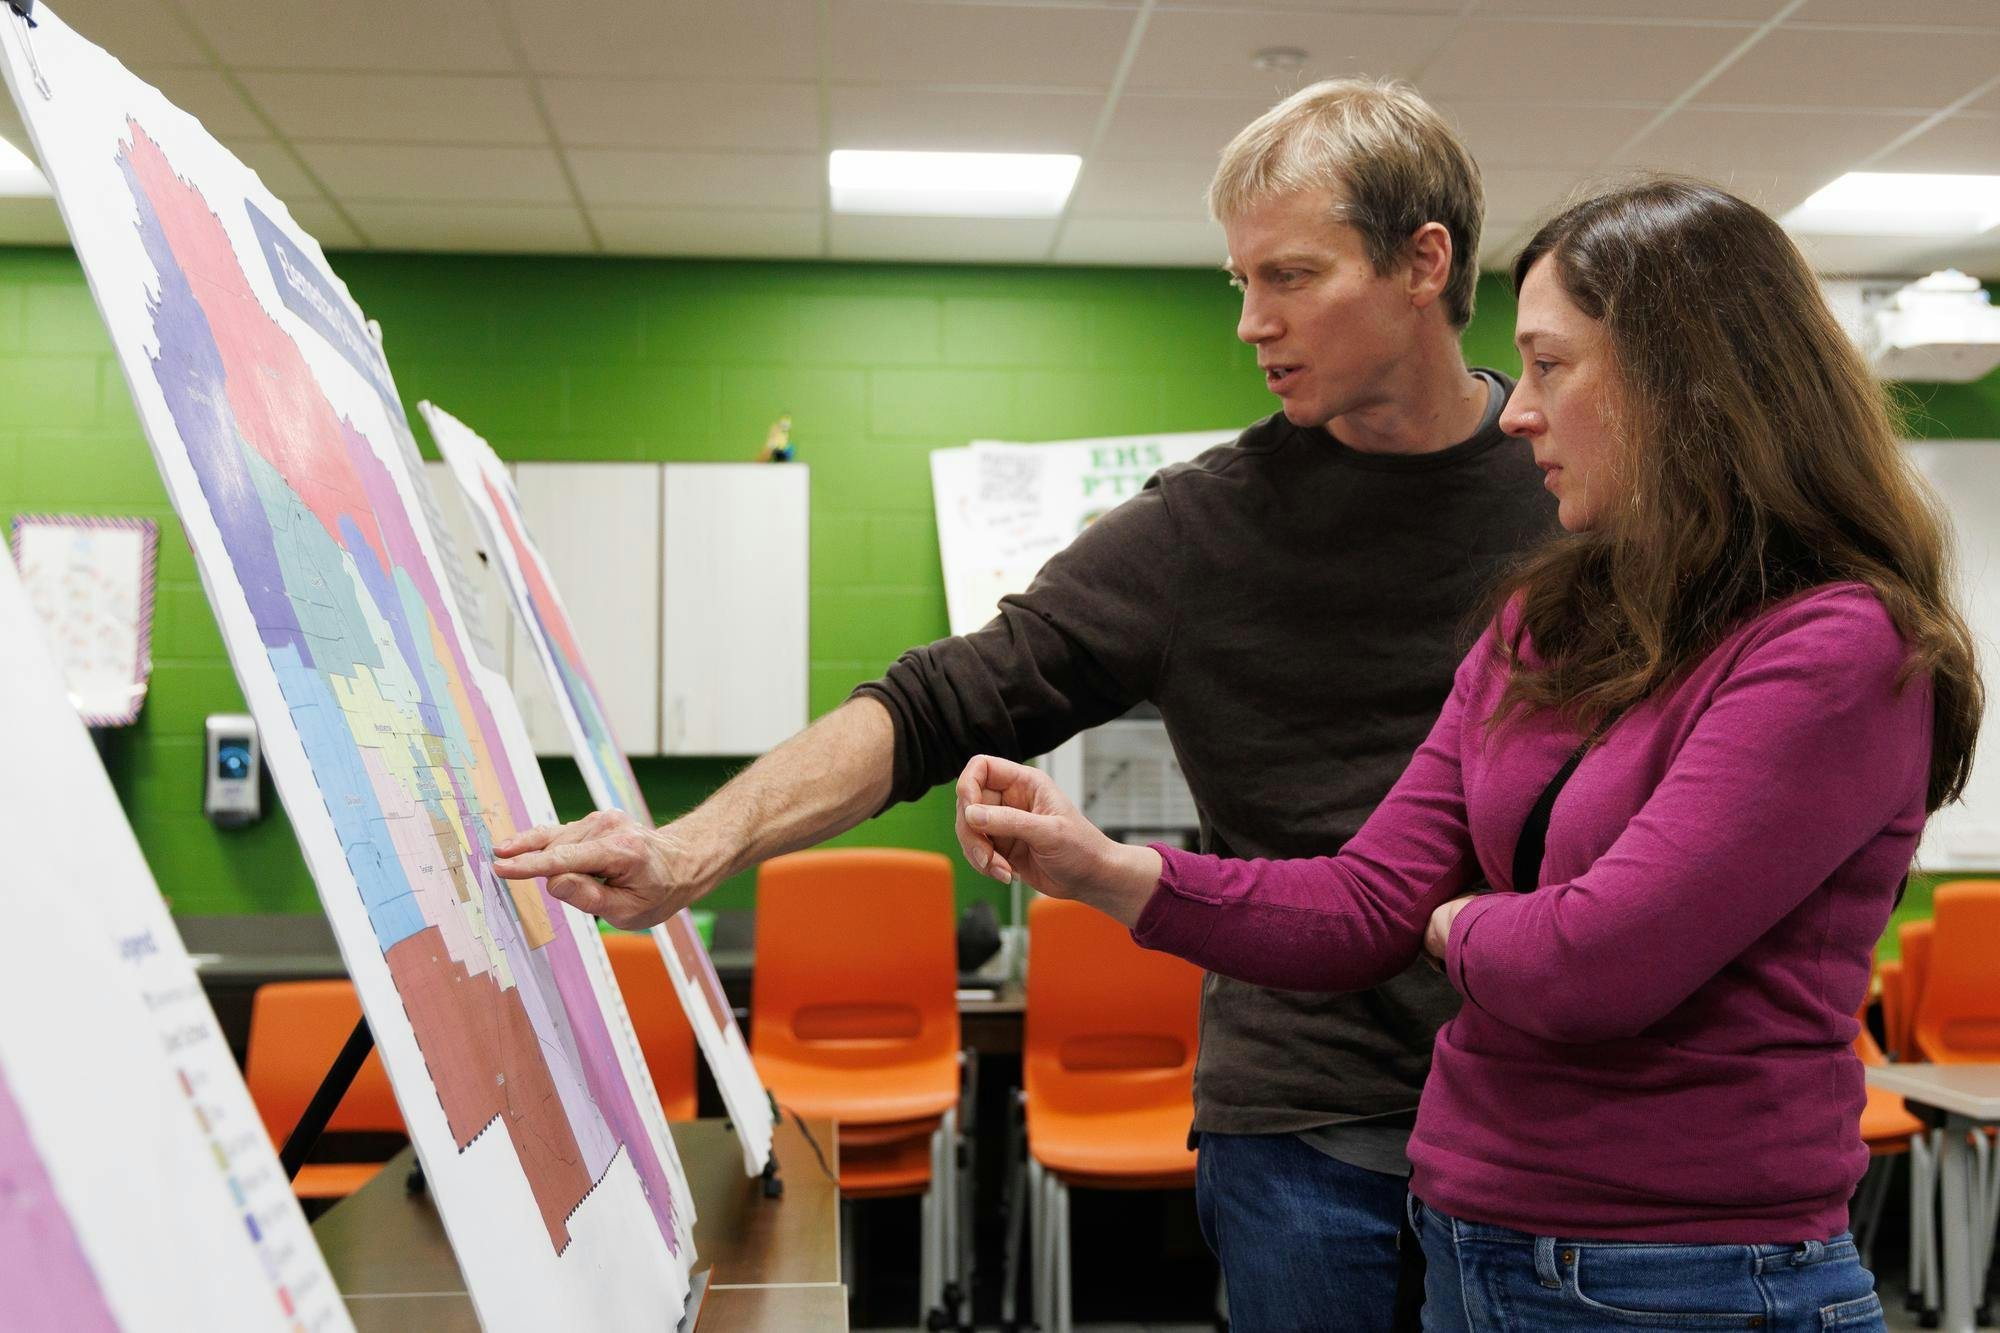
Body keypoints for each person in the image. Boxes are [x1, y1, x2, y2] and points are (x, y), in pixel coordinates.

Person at [494, 79, 1557, 1329]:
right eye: (1237, 283)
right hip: (1306, 1127)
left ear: (1423, 261)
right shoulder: (1202, 528)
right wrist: (687, 848)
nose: (1248, 322)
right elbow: (938, 696)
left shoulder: (1575, 495)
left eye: (1288, 276)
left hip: (1550, 1103)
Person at [950, 175, 1983, 1332]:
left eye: (1549, 366)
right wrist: (1095, 866)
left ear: (1682, 383)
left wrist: (1454, 922)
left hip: (1685, 1276)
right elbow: (1365, 899)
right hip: (1475, 1242)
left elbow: (1591, 965)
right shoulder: (1545, 619)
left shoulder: (1833, 646)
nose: (1515, 412)